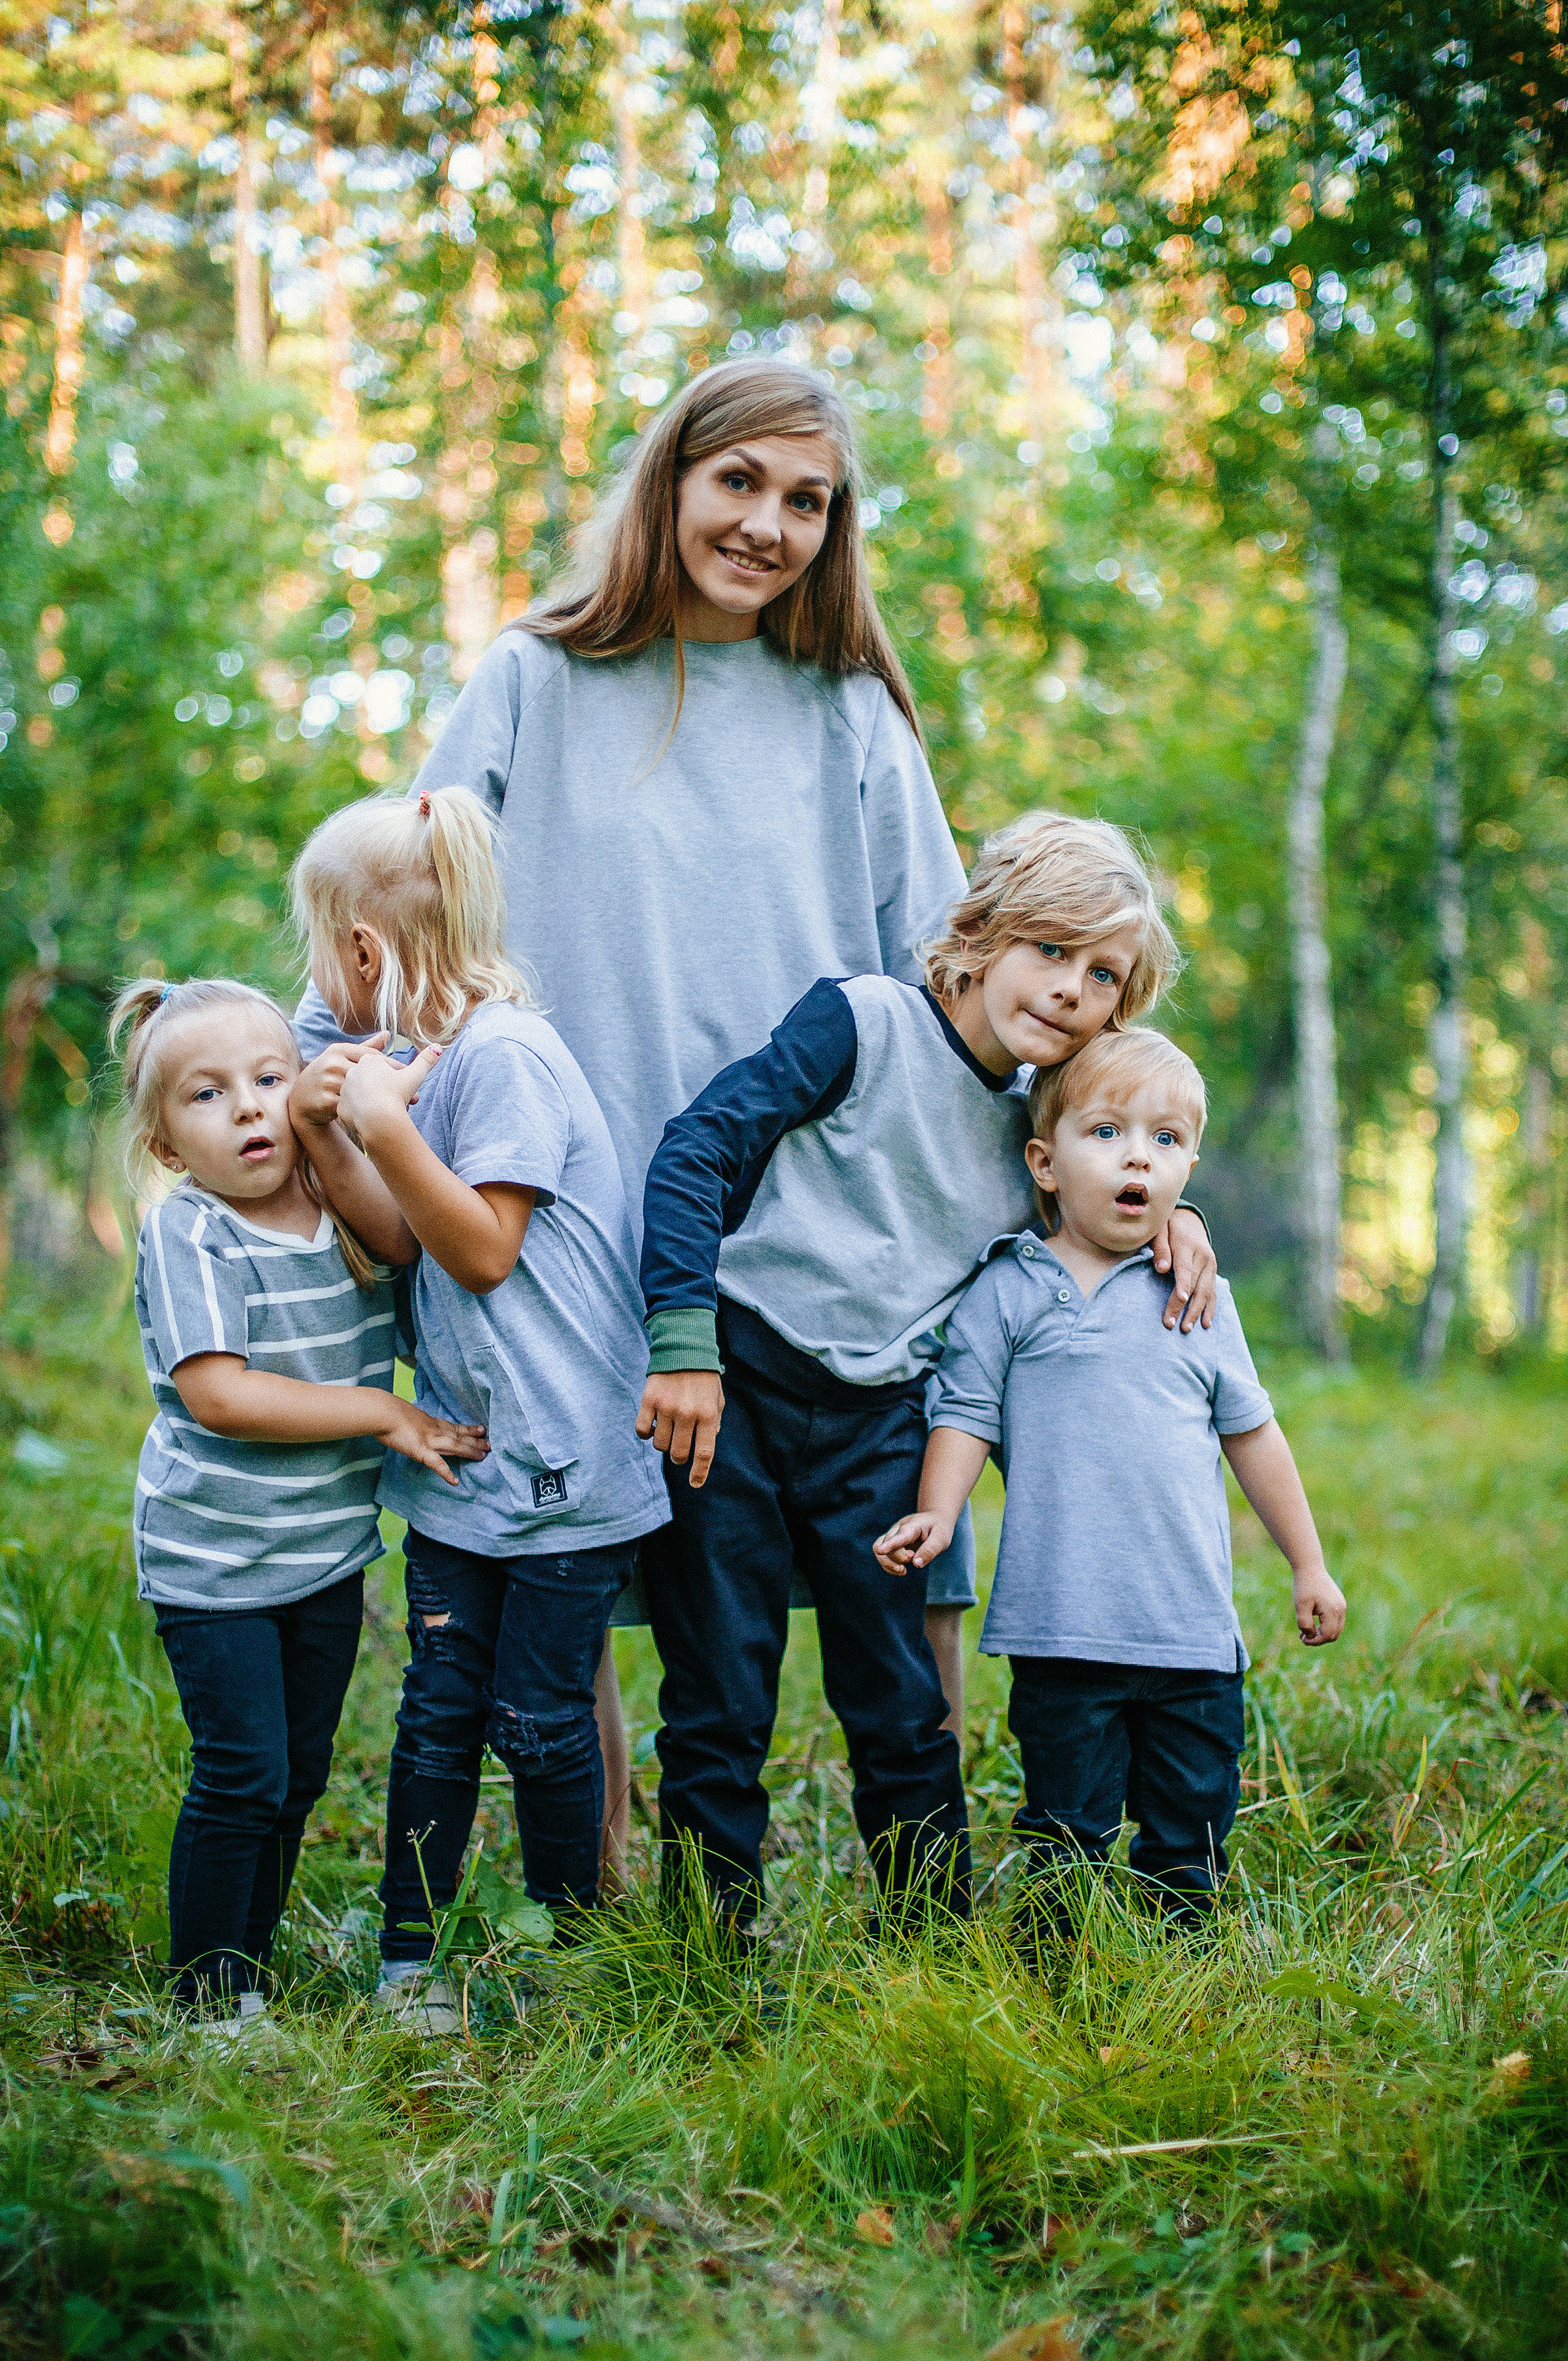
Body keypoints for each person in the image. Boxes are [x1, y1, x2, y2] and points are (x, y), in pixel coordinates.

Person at [291, 358, 1040, 1843]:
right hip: (560, 1205)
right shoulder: (534, 679)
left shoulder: (850, 712)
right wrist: (289, 1073)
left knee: (899, 1573)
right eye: (738, 482)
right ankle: (612, 1887)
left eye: (806, 501)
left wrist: (1094, 1150)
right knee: (571, 1544)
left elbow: (950, 975)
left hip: (818, 1233)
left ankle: (925, 1895)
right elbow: (390, 900)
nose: (767, 524)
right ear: (670, 482)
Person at [636, 813, 1216, 1934]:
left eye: (1103, 975)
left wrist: (1179, 1220)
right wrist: (683, 1342)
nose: (1070, 988)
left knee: (901, 1705)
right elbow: (697, 1151)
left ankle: (931, 1943)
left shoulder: (1039, 1128)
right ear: (985, 932)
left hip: (881, 1429)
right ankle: (709, 1950)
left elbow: (1118, 1184)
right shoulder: (862, 1022)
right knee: (719, 1696)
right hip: (736, 1395)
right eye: (1051, 949)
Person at [288, 784, 669, 2030]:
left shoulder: (505, 1055)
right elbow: (404, 1238)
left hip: (565, 1464)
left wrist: (382, 1123)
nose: (314, 983)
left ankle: (572, 1949)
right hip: (465, 1461)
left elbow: (484, 1250)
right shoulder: (422, 1063)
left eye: (318, 951)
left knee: (540, 1719)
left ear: (363, 950)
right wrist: (332, 1133)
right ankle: (411, 1958)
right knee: (439, 1711)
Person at [875, 1026, 1346, 1948]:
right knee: (1066, 1830)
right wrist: (936, 1512)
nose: (1139, 1156)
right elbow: (965, 1414)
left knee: (1190, 1830)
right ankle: (1060, 1967)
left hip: (1191, 1634)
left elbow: (1253, 1435)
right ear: (1045, 1164)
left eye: (1166, 1140)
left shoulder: (1198, 1296)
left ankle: (1182, 1966)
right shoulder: (1008, 1290)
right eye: (1107, 1133)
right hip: (1062, 1629)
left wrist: (1309, 1564)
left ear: (1188, 1169)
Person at [113, 976, 486, 2032]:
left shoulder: (332, 1199)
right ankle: (207, 1995)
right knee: (243, 1773)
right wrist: (381, 1410)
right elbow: (220, 1395)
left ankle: (248, 1965)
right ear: (167, 1145)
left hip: (323, 1554)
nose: (247, 1106)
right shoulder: (191, 1233)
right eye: (207, 1094)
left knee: (298, 1775)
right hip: (216, 1560)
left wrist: (330, 1131)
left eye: (269, 1079)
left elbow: (401, 1242)